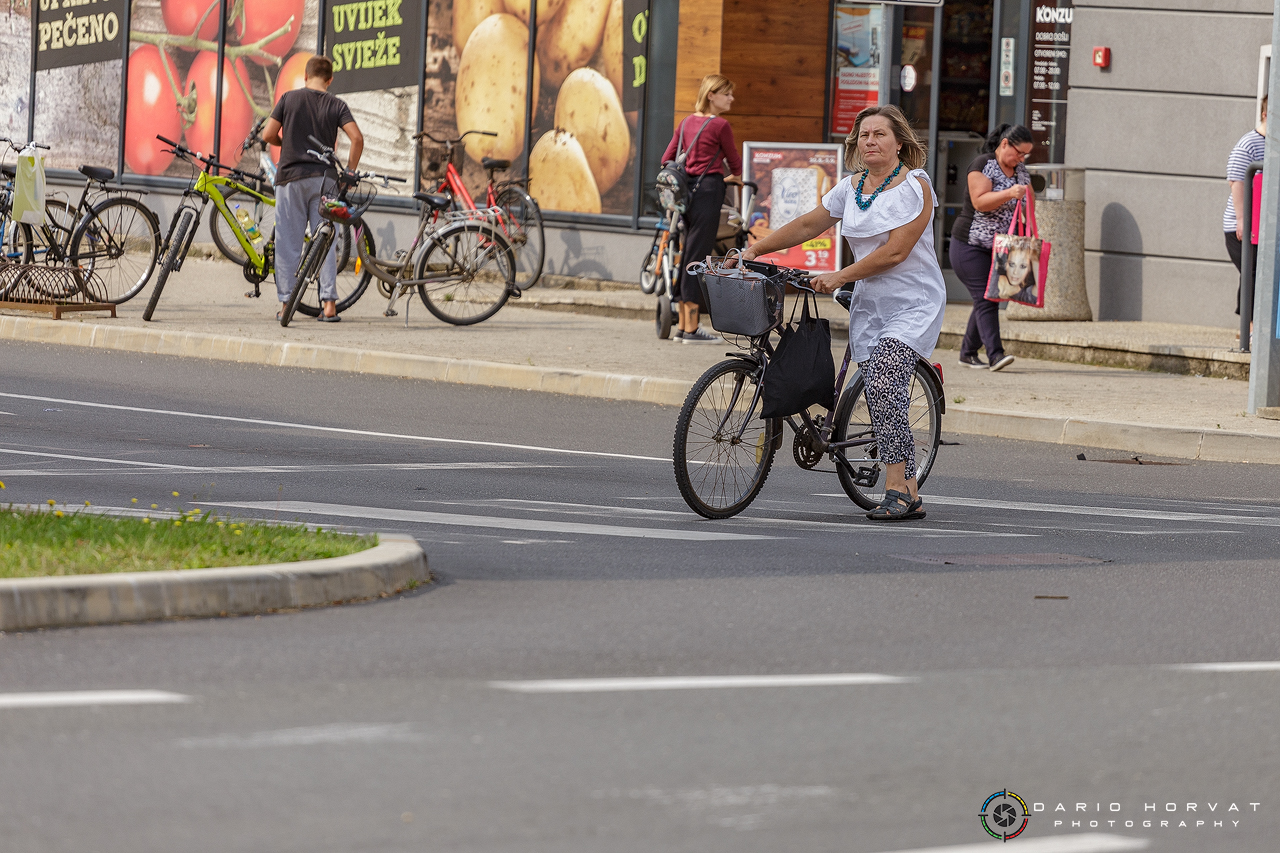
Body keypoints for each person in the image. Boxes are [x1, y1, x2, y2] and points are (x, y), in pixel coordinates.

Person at [739, 105, 945, 522]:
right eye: (864, 134)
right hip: (871, 301)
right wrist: (756, 249)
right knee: (880, 391)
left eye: (880, 134)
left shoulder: (916, 187)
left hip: (915, 301)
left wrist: (839, 276)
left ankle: (896, 491)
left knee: (886, 374)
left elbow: (896, 251)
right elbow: (807, 225)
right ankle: (912, 492)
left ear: (899, 143)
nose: (870, 140)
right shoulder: (850, 188)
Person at [262, 55, 363, 322]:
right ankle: (328, 303)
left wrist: (287, 143)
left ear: (305, 77)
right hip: (324, 180)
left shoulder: (288, 99)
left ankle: (286, 306)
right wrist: (349, 172)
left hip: (290, 178)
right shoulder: (337, 104)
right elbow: (357, 138)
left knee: (288, 244)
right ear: (329, 80)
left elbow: (267, 135)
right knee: (325, 242)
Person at [661, 74, 743, 344]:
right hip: (708, 192)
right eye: (726, 94)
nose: (731, 98)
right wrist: (733, 177)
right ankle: (692, 329)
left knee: (687, 255)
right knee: (697, 258)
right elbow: (735, 162)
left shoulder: (685, 122)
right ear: (711, 95)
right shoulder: (720, 125)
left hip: (685, 195)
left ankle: (684, 326)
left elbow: (666, 159)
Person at [948, 123, 1033, 371]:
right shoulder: (983, 164)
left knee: (988, 297)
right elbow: (979, 202)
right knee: (987, 298)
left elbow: (1028, 206)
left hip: (1001, 249)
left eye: (1025, 155)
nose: (1021, 158)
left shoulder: (1021, 173)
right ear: (1004, 144)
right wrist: (1010, 193)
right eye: (1018, 152)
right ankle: (996, 355)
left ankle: (968, 352)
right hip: (968, 246)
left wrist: (1026, 209)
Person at [1224, 95, 1267, 320]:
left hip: (1264, 227)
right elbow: (1236, 181)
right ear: (1265, 114)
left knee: (1260, 274)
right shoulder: (1249, 144)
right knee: (1252, 272)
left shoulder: (1275, 145)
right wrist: (1242, 220)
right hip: (1241, 226)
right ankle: (1249, 327)